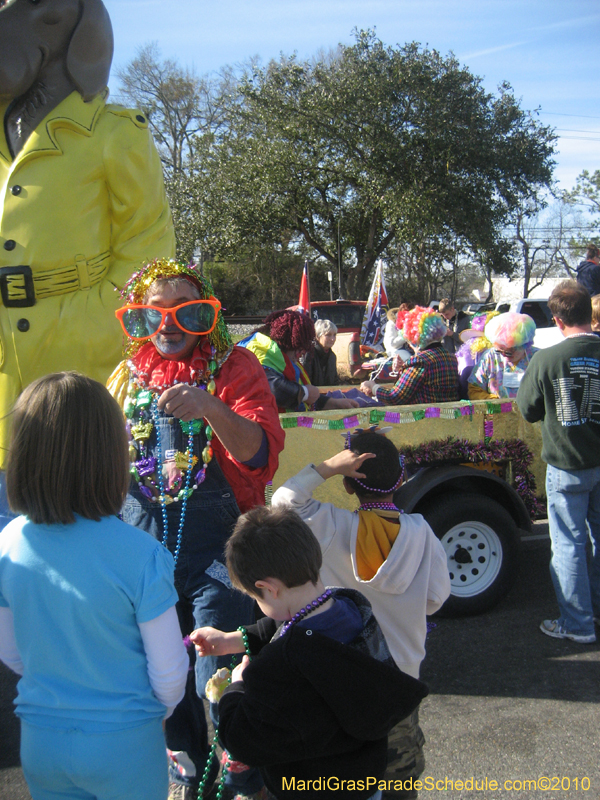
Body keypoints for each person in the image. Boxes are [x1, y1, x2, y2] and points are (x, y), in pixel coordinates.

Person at [108, 259, 285, 800]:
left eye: (186, 312)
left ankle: (240, 775)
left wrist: (209, 405)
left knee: (221, 672)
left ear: (208, 315)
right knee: (164, 679)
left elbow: (259, 455)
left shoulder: (235, 368)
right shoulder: (126, 376)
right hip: (146, 555)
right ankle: (186, 772)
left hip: (220, 557)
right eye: (153, 314)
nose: (168, 326)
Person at [0, 0, 175, 528]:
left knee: (81, 531)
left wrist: (85, 331)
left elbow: (149, 261)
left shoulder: (116, 133)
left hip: (80, 379)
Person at [0, 372, 188, 800]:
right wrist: (158, 712)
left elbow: (10, 652)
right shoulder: (141, 553)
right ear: (109, 455)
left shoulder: (7, 544)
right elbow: (169, 672)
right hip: (127, 742)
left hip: (41, 739)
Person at [190, 505, 428, 800]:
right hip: (363, 783)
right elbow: (296, 625)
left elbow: (242, 741)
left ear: (268, 588)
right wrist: (234, 640)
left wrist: (235, 689)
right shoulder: (353, 609)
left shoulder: (282, 665)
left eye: (255, 597)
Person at [271, 430, 450, 800]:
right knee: (399, 781)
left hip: (342, 682)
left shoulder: (330, 526)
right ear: (401, 479)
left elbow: (283, 501)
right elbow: (435, 598)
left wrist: (329, 467)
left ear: (349, 485)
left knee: (344, 778)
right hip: (400, 682)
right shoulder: (422, 534)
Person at [517, 280, 600, 644]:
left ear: (557, 320)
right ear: (589, 315)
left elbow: (528, 410)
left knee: (568, 544)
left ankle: (578, 624)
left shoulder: (546, 359)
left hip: (567, 466)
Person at [239, 309, 358, 411]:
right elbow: (272, 388)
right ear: (291, 343)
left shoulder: (281, 358)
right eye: (301, 348)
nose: (302, 353)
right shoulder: (260, 352)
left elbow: (304, 396)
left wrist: (336, 403)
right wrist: (305, 393)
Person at [360, 306, 459, 405]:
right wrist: (403, 369)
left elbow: (394, 397)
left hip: (425, 413)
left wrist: (373, 387)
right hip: (449, 412)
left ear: (413, 334)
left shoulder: (420, 362)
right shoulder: (451, 358)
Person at [468, 312, 537, 400]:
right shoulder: (490, 356)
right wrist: (492, 400)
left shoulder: (537, 358)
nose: (504, 356)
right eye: (499, 351)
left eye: (509, 353)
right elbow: (474, 389)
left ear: (524, 346)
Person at [301, 318, 340, 386]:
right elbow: (305, 382)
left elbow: (335, 382)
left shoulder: (332, 357)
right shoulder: (308, 355)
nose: (332, 339)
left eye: (334, 335)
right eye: (328, 335)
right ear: (317, 336)